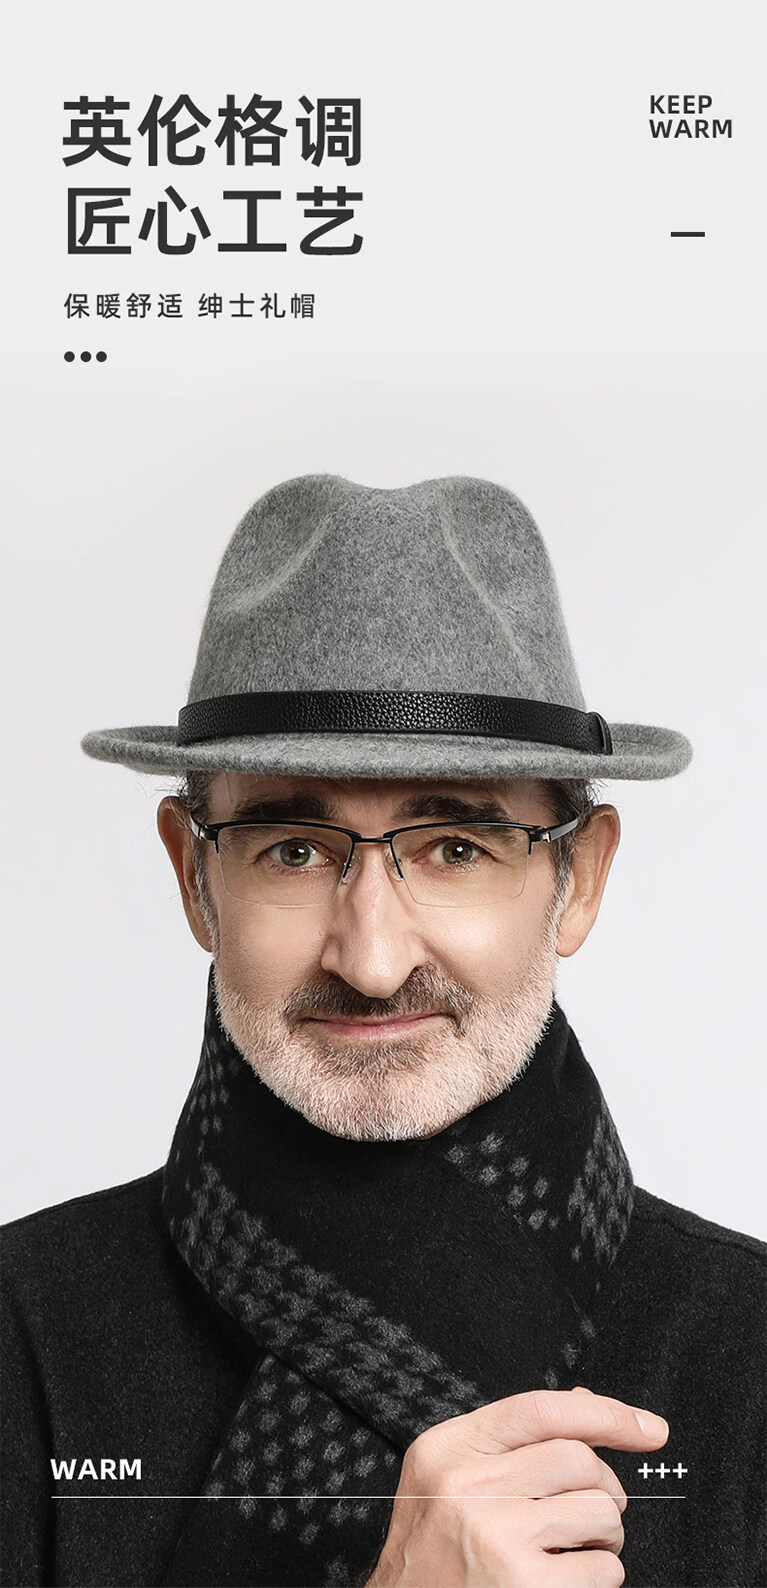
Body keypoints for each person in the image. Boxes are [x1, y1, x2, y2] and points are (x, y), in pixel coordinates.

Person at [1, 474, 764, 1588]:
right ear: (192, 877)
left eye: (455, 848)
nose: (369, 959)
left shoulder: (748, 1355)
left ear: (581, 880)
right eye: (293, 849)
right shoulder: (19, 1337)